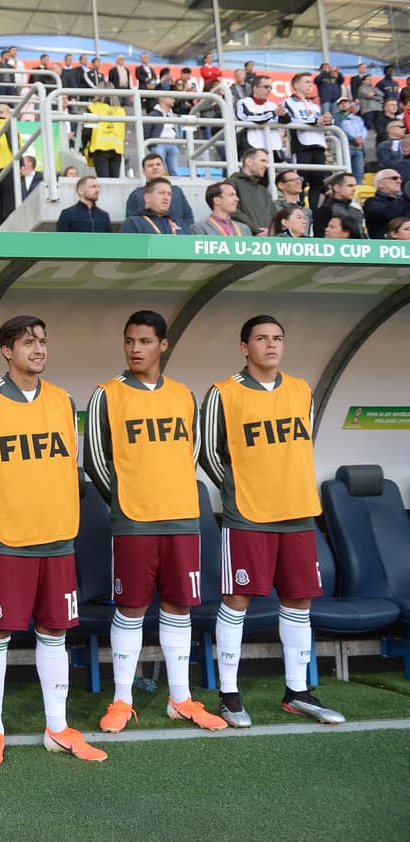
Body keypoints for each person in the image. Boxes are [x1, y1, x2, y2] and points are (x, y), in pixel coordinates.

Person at [0, 315, 106, 766]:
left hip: (59, 538)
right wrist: (1, 516)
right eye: (28, 342)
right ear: (7, 351)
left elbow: (72, 468)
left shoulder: (63, 400)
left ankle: (57, 727)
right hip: (8, 539)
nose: (38, 349)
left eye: (42, 341)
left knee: (54, 631)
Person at [199, 316, 344, 728]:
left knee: (299, 600)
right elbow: (209, 453)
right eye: (261, 339)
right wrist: (241, 489)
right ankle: (229, 695)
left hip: (297, 512)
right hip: (249, 515)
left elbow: (301, 445)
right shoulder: (223, 393)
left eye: (278, 338)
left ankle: (297, 692)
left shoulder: (301, 389)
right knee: (237, 600)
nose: (271, 345)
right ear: (244, 347)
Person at [85, 312, 226, 735]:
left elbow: (193, 453)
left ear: (162, 345)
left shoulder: (184, 395)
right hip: (135, 521)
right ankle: (122, 700)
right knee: (130, 608)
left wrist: (174, 497)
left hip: (183, 519)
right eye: (129, 341)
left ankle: (179, 699)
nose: (135, 349)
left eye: (145, 341)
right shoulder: (106, 395)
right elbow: (95, 458)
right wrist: (127, 502)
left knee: (179, 606)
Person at [281, 72, 333, 210]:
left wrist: (327, 120)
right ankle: (299, 209)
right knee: (299, 182)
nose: (311, 85)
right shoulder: (287, 102)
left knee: (317, 183)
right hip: (301, 146)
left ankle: (314, 212)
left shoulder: (315, 105)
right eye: (307, 82)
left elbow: (320, 122)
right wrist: (316, 120)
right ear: (296, 85)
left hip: (319, 145)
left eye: (311, 82)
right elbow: (291, 120)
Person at [124, 153, 194, 231]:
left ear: (163, 169)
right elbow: (131, 224)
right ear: (143, 171)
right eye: (150, 165)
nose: (155, 167)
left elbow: (188, 218)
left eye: (158, 164)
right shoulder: (135, 195)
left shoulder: (177, 191)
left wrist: (183, 232)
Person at [228, 148, 273, 236]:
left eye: (266, 162)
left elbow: (274, 215)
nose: (266, 165)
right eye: (262, 161)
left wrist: (271, 230)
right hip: (244, 239)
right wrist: (258, 230)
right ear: (249, 161)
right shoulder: (232, 183)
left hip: (268, 240)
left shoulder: (264, 191)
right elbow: (233, 211)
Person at [85, 93, 126, 178]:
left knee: (104, 181)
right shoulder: (121, 110)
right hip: (117, 149)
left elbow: (87, 131)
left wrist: (84, 145)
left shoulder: (93, 107)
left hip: (100, 148)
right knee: (114, 182)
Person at [313, 172, 363, 237]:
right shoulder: (326, 209)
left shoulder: (356, 210)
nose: (354, 189)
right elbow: (320, 236)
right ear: (336, 188)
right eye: (350, 185)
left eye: (355, 186)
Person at [144, 95, 182, 177]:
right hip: (159, 143)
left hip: (172, 143)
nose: (173, 99)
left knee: (174, 170)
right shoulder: (153, 114)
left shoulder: (173, 115)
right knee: (158, 170)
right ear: (162, 99)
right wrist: (152, 144)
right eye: (171, 97)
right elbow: (147, 130)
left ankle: (174, 188)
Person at [364, 170, 410, 238]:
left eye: (401, 178)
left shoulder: (404, 201)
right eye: (394, 178)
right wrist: (406, 195)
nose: (399, 181)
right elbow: (389, 214)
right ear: (380, 184)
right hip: (382, 246)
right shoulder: (371, 202)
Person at [273, 170, 313, 234]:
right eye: (294, 180)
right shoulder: (273, 207)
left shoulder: (307, 210)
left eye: (300, 179)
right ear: (281, 185)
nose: (299, 182)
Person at [338, 98, 367, 179]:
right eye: (341, 103)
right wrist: (354, 139)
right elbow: (340, 130)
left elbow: (363, 130)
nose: (343, 105)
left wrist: (361, 138)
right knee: (345, 174)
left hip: (359, 148)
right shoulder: (337, 117)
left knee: (359, 173)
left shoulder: (358, 118)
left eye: (345, 102)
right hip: (346, 148)